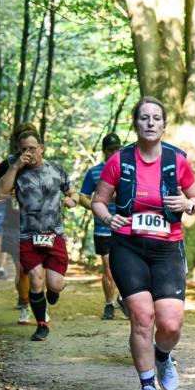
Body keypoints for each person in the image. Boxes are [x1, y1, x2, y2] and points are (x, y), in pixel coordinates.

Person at [92, 97, 195, 390]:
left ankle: (164, 355)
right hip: (127, 246)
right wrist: (107, 218)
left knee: (170, 324)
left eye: (156, 118)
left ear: (164, 125)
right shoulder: (120, 161)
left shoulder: (177, 161)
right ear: (135, 123)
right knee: (142, 317)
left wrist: (188, 205)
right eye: (144, 118)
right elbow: (99, 200)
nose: (150, 123)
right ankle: (147, 388)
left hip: (167, 248)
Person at [0, 128, 77, 341]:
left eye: (32, 148)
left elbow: (72, 191)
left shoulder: (56, 170)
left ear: (42, 148)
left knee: (55, 283)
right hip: (28, 236)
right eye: (24, 149)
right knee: (35, 280)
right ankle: (41, 325)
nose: (28, 152)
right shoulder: (17, 172)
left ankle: (54, 291)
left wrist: (72, 200)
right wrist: (16, 165)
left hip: (54, 234)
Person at [0, 122, 39, 324]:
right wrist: (9, 194)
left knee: (37, 269)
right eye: (21, 141)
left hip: (38, 223)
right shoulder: (7, 164)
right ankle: (24, 305)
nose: (26, 149)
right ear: (16, 144)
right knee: (22, 268)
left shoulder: (43, 166)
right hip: (13, 223)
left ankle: (39, 302)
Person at [80, 133, 123, 320]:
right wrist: (98, 207)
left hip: (125, 226)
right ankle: (109, 304)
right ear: (104, 151)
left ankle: (125, 299)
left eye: (117, 149)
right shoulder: (94, 172)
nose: (114, 152)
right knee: (108, 267)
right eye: (110, 150)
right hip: (103, 228)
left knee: (125, 268)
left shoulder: (128, 170)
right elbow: (82, 196)